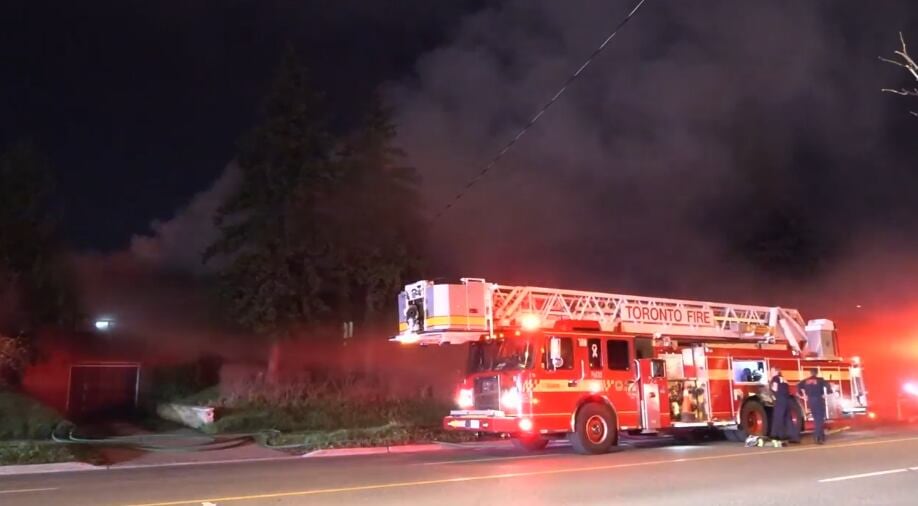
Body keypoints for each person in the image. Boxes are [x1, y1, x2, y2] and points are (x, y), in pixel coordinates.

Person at [798, 368, 829, 444]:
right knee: (820, 419)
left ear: (810, 373)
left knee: (816, 419)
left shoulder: (806, 380)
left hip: (811, 401)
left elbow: (799, 385)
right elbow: (828, 387)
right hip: (818, 399)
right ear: (817, 373)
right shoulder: (820, 380)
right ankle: (817, 437)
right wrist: (826, 394)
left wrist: (803, 395)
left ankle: (821, 436)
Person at [769, 367, 799, 443]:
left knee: (778, 417)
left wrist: (770, 384)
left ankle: (776, 436)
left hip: (780, 400)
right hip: (787, 400)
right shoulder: (784, 379)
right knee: (788, 419)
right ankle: (794, 437)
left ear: (776, 371)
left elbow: (775, 389)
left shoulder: (775, 378)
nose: (770, 372)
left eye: (772, 371)